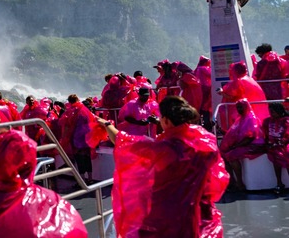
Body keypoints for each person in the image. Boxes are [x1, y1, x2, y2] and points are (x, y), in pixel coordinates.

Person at [97, 96, 229, 237]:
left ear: (165, 120)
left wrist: (106, 124)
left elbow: (122, 141)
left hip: (166, 216)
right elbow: (216, 182)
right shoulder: (206, 143)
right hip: (200, 215)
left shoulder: (163, 149)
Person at [220, 99, 265, 192]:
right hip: (244, 144)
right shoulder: (240, 119)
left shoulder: (251, 119)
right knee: (223, 155)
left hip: (254, 145)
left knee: (231, 155)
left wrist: (235, 146)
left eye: (241, 107)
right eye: (238, 107)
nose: (239, 109)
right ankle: (232, 181)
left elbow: (250, 137)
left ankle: (240, 184)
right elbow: (235, 134)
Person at [219, 61, 269, 131]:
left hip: (243, 109)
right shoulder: (250, 79)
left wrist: (221, 92)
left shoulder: (238, 81)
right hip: (255, 108)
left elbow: (231, 96)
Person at [261, 102, 289, 193]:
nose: (271, 113)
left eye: (273, 112)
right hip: (273, 145)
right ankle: (279, 183)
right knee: (275, 155)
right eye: (270, 111)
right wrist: (268, 142)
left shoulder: (286, 120)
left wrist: (282, 142)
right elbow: (265, 134)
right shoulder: (267, 121)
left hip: (285, 143)